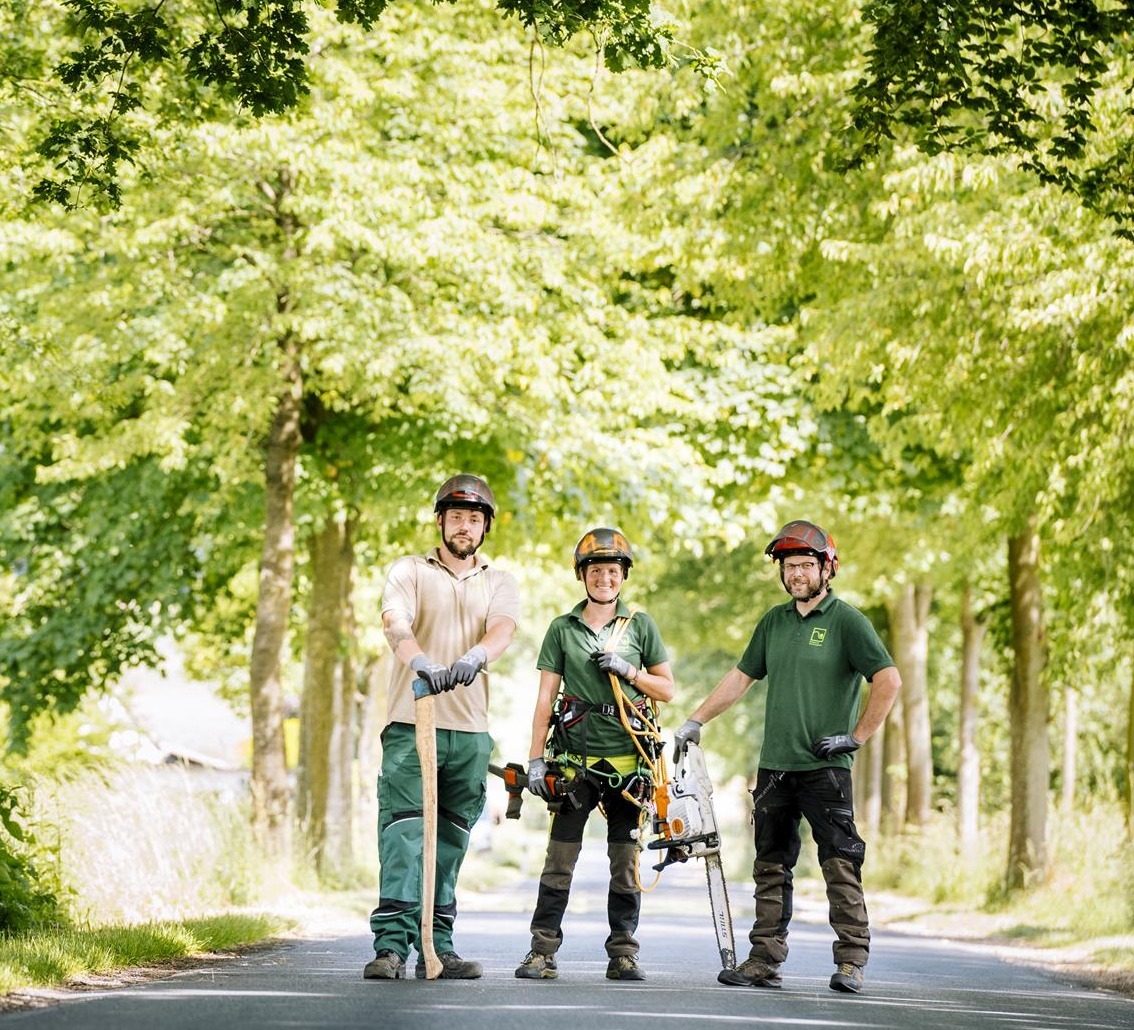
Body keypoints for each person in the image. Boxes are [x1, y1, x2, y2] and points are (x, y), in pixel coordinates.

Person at [673, 520, 901, 995]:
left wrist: (855, 737)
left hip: (826, 768)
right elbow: (740, 679)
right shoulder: (774, 622)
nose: (796, 574)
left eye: (804, 565)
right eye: (789, 566)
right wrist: (695, 720)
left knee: (840, 862)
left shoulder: (847, 621)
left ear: (826, 568)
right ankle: (764, 960)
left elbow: (889, 681)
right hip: (776, 768)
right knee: (770, 865)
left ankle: (852, 960)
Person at [364, 474, 521, 981]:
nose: (465, 526)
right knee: (404, 834)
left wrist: (476, 657)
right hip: (413, 721)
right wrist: (422, 664)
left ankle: (441, 945)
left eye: (475, 519)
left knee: (451, 839)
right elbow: (395, 623)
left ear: (485, 528)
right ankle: (391, 947)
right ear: (441, 521)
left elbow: (502, 629)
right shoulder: (409, 570)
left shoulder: (499, 580)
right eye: (456, 517)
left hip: (470, 730)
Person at [514, 528, 675, 983]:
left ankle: (623, 953)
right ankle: (542, 952)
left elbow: (667, 688)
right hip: (574, 763)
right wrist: (535, 761)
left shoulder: (640, 626)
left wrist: (628, 670)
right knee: (560, 859)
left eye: (612, 570)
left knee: (625, 863)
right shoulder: (562, 629)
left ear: (623, 576)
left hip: (630, 762)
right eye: (596, 570)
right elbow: (545, 698)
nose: (604, 578)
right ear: (582, 575)